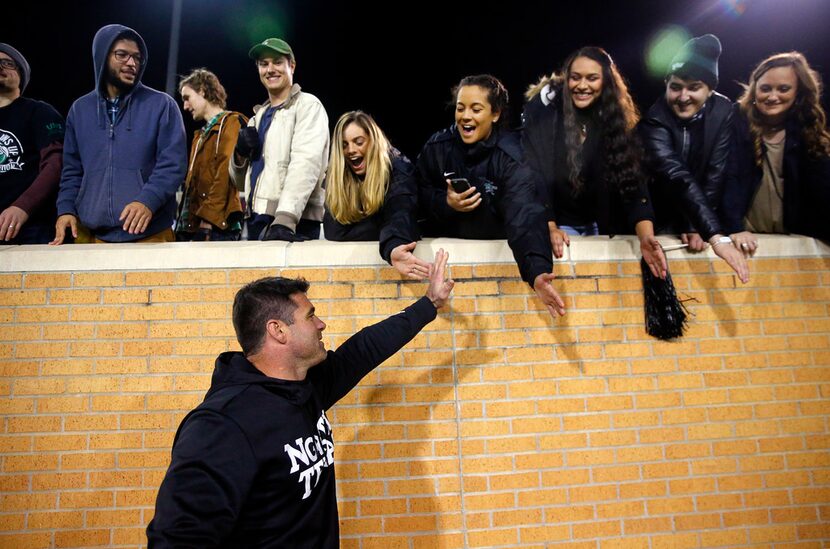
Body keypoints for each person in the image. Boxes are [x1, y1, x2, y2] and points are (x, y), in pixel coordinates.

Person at [146, 249, 455, 547]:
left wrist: (430, 303)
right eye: (311, 316)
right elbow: (177, 537)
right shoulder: (222, 425)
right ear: (278, 330)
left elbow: (364, 349)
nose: (321, 324)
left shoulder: (305, 387)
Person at [415, 74, 566, 317]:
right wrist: (445, 203)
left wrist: (537, 273)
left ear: (495, 114)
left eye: (476, 109)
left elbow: (524, 214)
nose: (465, 116)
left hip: (492, 272)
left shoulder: (511, 156)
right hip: (444, 276)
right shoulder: (437, 147)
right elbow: (414, 195)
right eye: (460, 108)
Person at [522, 47, 668, 281]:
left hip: (598, 222)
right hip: (555, 221)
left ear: (606, 82)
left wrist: (646, 237)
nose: (582, 85)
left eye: (592, 78)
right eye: (576, 77)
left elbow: (632, 180)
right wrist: (549, 226)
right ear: (566, 78)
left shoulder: (613, 117)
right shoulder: (546, 112)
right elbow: (536, 173)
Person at [51, 24, 186, 244]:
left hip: (150, 235)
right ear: (102, 56)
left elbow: (173, 165)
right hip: (91, 235)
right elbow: (72, 170)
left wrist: (147, 201)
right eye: (122, 55)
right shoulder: (79, 109)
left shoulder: (162, 105)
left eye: (137, 58)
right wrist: (65, 209)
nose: (131, 63)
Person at [639, 34, 749, 282]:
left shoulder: (723, 111)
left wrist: (695, 225)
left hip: (698, 213)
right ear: (666, 84)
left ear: (710, 90)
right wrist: (714, 235)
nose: (683, 96)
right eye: (675, 87)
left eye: (694, 87)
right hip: (657, 215)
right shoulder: (654, 119)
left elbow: (715, 172)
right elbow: (676, 176)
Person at [722, 51, 830, 248]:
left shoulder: (809, 128)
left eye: (783, 89)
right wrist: (734, 227)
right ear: (754, 91)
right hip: (746, 237)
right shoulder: (736, 120)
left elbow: (823, 188)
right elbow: (729, 175)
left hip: (794, 237)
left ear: (798, 92)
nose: (773, 96)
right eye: (765, 88)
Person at [230, 38, 329, 242]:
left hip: (294, 222)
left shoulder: (308, 106)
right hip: (257, 220)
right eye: (263, 64)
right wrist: (238, 155)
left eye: (277, 62)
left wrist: (286, 218)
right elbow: (239, 183)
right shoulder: (256, 119)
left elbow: (306, 163)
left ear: (291, 66)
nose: (270, 69)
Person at [324, 110, 429, 278]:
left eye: (358, 142)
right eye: (344, 145)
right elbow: (334, 230)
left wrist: (392, 246)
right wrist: (382, 222)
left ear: (373, 141)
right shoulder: (338, 175)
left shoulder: (399, 169)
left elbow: (400, 213)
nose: (351, 150)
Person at [0, 43, 64, 244]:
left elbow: (56, 163)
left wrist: (23, 207)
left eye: (7, 63)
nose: (0, 67)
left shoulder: (39, 112)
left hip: (31, 228)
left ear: (21, 75)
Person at [176, 68, 245, 241]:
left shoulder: (231, 123)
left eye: (187, 98)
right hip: (195, 226)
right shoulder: (199, 136)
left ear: (202, 91)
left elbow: (225, 174)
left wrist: (208, 220)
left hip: (216, 227)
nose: (185, 106)